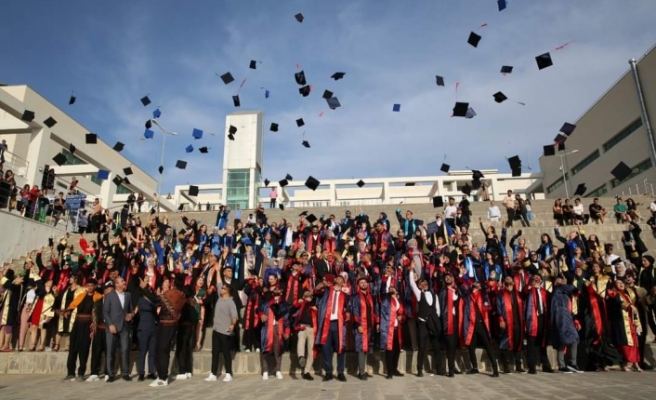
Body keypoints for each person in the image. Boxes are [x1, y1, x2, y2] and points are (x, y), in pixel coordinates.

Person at [62, 279, 102, 382]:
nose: (89, 287)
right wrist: (68, 311)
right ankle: (70, 373)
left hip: (88, 324)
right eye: (88, 285)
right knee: (73, 349)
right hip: (77, 324)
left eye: (92, 285)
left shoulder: (98, 297)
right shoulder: (81, 295)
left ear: (95, 286)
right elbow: (73, 304)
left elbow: (98, 311)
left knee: (84, 349)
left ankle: (81, 373)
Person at [150, 276, 186, 387]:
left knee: (162, 350)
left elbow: (157, 300)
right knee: (162, 350)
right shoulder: (182, 295)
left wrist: (145, 289)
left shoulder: (172, 294)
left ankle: (163, 377)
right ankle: (161, 375)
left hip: (166, 324)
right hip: (171, 324)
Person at [314, 273, 349, 382]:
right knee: (326, 349)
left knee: (340, 349)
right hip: (326, 323)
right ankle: (328, 372)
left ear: (343, 283)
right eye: (337, 277)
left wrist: (347, 314)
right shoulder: (327, 291)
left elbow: (348, 309)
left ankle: (340, 372)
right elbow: (317, 293)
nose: (338, 278)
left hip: (339, 324)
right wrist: (318, 288)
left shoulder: (345, 296)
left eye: (341, 278)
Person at [205, 284, 238, 383]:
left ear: (227, 291)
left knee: (226, 353)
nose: (221, 289)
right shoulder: (219, 299)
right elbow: (218, 282)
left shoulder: (231, 302)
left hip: (225, 331)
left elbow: (234, 316)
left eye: (223, 288)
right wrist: (218, 269)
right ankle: (213, 373)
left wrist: (232, 324)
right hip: (216, 330)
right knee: (214, 352)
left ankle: (228, 373)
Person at [103, 277, 133, 382]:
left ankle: (125, 373)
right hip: (112, 327)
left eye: (124, 281)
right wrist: (110, 324)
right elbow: (105, 312)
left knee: (125, 350)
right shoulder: (109, 296)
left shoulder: (128, 295)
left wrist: (131, 315)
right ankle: (111, 374)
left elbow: (131, 309)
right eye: (122, 281)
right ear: (116, 284)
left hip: (124, 327)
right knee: (110, 351)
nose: (124, 282)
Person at [551, 275, 582, 373]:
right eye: (559, 279)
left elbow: (569, 308)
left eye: (562, 279)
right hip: (560, 320)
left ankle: (572, 363)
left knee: (574, 339)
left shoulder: (565, 294)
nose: (561, 280)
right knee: (563, 341)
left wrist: (575, 319)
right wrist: (565, 283)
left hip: (568, 319)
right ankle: (562, 364)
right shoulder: (557, 290)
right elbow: (572, 287)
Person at [350, 276, 376, 380]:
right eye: (361, 282)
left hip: (370, 326)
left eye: (365, 282)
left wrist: (376, 323)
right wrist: (358, 325)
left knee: (366, 349)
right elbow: (354, 312)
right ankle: (361, 372)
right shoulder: (355, 297)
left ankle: (364, 369)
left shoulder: (370, 296)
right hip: (361, 326)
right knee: (361, 348)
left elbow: (374, 311)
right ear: (358, 285)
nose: (364, 284)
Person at [175, 286, 200, 380]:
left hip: (183, 327)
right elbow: (196, 318)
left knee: (181, 349)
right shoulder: (193, 304)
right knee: (187, 349)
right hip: (190, 328)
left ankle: (182, 371)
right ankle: (188, 370)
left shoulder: (184, 304)